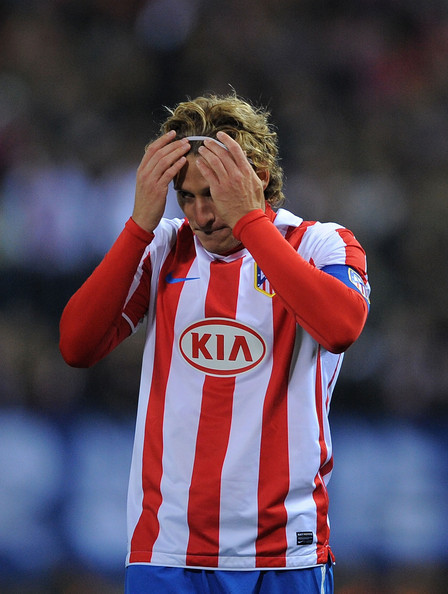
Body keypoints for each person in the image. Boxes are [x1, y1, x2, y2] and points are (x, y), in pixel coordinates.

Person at [59, 93, 370, 593]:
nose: (201, 215)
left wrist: (249, 221)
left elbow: (341, 328)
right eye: (186, 197)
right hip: (167, 550)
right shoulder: (163, 247)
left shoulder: (320, 244)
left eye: (213, 194)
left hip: (283, 552)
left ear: (258, 177)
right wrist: (138, 225)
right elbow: (77, 345)